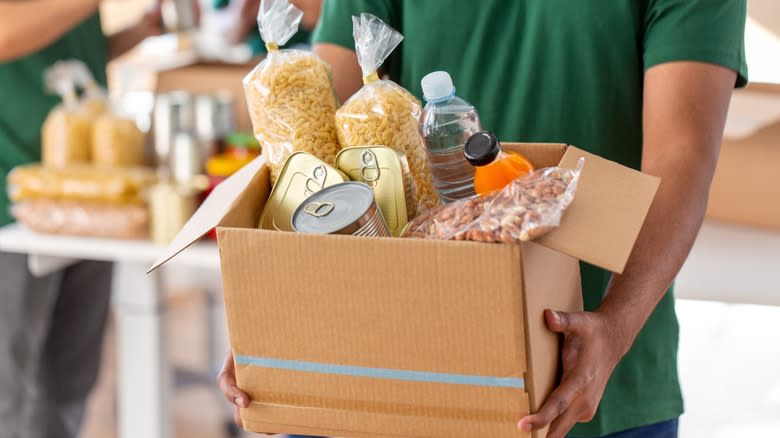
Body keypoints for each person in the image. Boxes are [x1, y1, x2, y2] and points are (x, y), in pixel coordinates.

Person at [217, 1, 748, 437]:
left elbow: (680, 158)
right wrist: (271, 312)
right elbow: (312, 141)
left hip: (586, 366)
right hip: (391, 363)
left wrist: (616, 324)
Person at [0, 2, 168, 437]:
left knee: (69, 378)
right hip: (10, 203)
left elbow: (63, 59)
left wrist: (135, 34)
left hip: (88, 194)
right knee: (7, 389)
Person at [217, 0, 322, 55]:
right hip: (258, 63)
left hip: (310, 59)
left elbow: (319, 17)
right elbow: (227, 37)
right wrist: (242, 12)